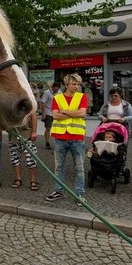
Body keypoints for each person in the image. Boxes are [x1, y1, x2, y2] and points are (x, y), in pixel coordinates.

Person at [45, 73, 88, 205]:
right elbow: (55, 116)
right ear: (67, 85)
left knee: (79, 167)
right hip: (60, 137)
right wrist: (72, 114)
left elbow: (83, 113)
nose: (76, 86)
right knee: (59, 167)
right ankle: (58, 191)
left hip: (76, 137)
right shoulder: (57, 98)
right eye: (74, 84)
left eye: (78, 84)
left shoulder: (82, 97)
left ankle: (79, 193)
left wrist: (64, 112)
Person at [8, 98, 39, 191]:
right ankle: (18, 179)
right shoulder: (9, 103)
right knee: (15, 159)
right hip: (14, 136)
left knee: (31, 159)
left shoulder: (27, 101)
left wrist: (34, 131)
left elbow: (33, 115)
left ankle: (33, 181)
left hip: (27, 135)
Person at [40, 82, 55, 149]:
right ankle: (47, 142)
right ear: (53, 87)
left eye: (58, 88)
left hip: (55, 112)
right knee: (48, 128)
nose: (56, 90)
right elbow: (42, 103)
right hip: (48, 112)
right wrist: (43, 114)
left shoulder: (59, 92)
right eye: (55, 88)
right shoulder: (47, 92)